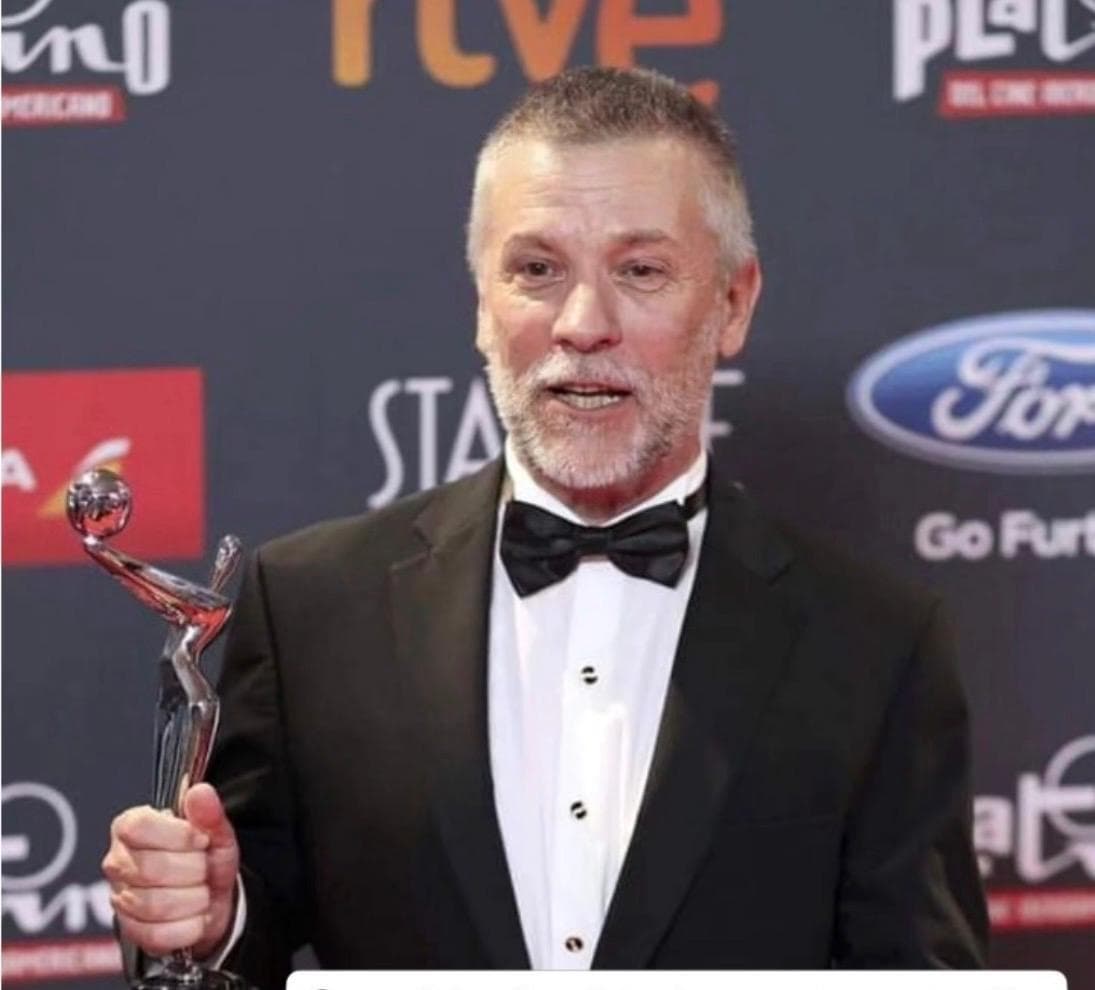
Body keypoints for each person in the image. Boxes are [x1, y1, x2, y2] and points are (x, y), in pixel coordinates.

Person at [102, 67, 989, 984]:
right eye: (536, 269)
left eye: (640, 271)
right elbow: (245, 924)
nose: (582, 324)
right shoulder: (311, 606)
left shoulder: (876, 644)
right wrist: (206, 916)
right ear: (482, 301)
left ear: (732, 303)